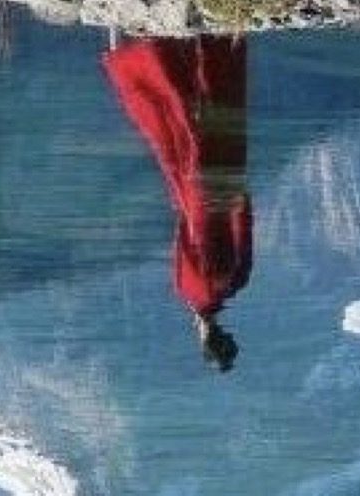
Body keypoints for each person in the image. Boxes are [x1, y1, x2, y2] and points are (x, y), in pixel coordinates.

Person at [103, 34, 253, 371]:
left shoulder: (235, 282)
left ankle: (215, 42)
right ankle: (149, 55)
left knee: (214, 120)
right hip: (193, 199)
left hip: (222, 189)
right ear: (201, 338)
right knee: (175, 129)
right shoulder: (189, 289)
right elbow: (185, 236)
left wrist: (236, 191)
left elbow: (244, 221)